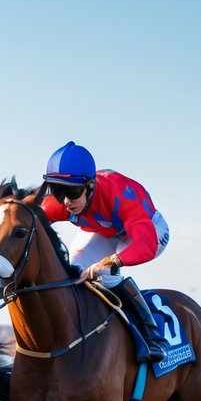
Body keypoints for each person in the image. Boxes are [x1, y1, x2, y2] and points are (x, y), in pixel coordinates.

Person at [39, 141, 170, 362]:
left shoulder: (121, 196)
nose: (65, 202)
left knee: (105, 273)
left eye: (72, 193)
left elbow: (145, 244)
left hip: (148, 231)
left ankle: (150, 335)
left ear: (90, 186)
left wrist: (113, 260)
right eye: (58, 192)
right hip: (106, 230)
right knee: (77, 270)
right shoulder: (62, 201)